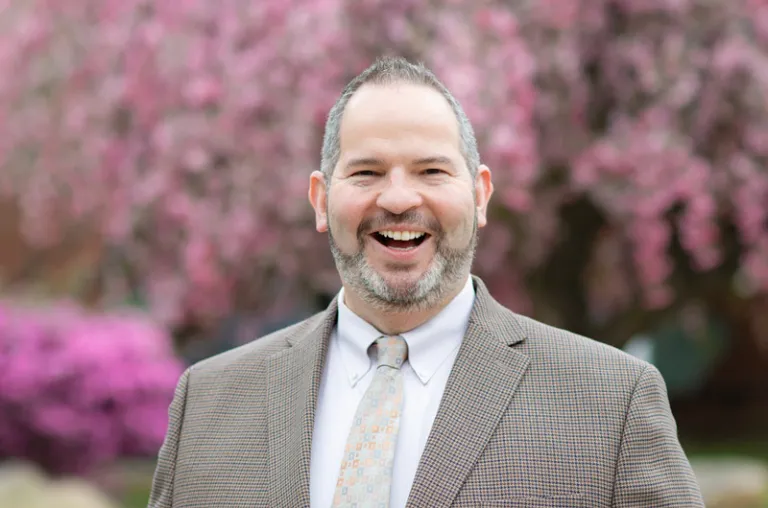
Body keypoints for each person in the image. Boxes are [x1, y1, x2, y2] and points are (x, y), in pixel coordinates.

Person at [148, 56, 704, 508]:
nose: (397, 199)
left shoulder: (611, 402)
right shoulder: (209, 402)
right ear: (321, 200)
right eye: (366, 172)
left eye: (431, 171)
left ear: (480, 195)